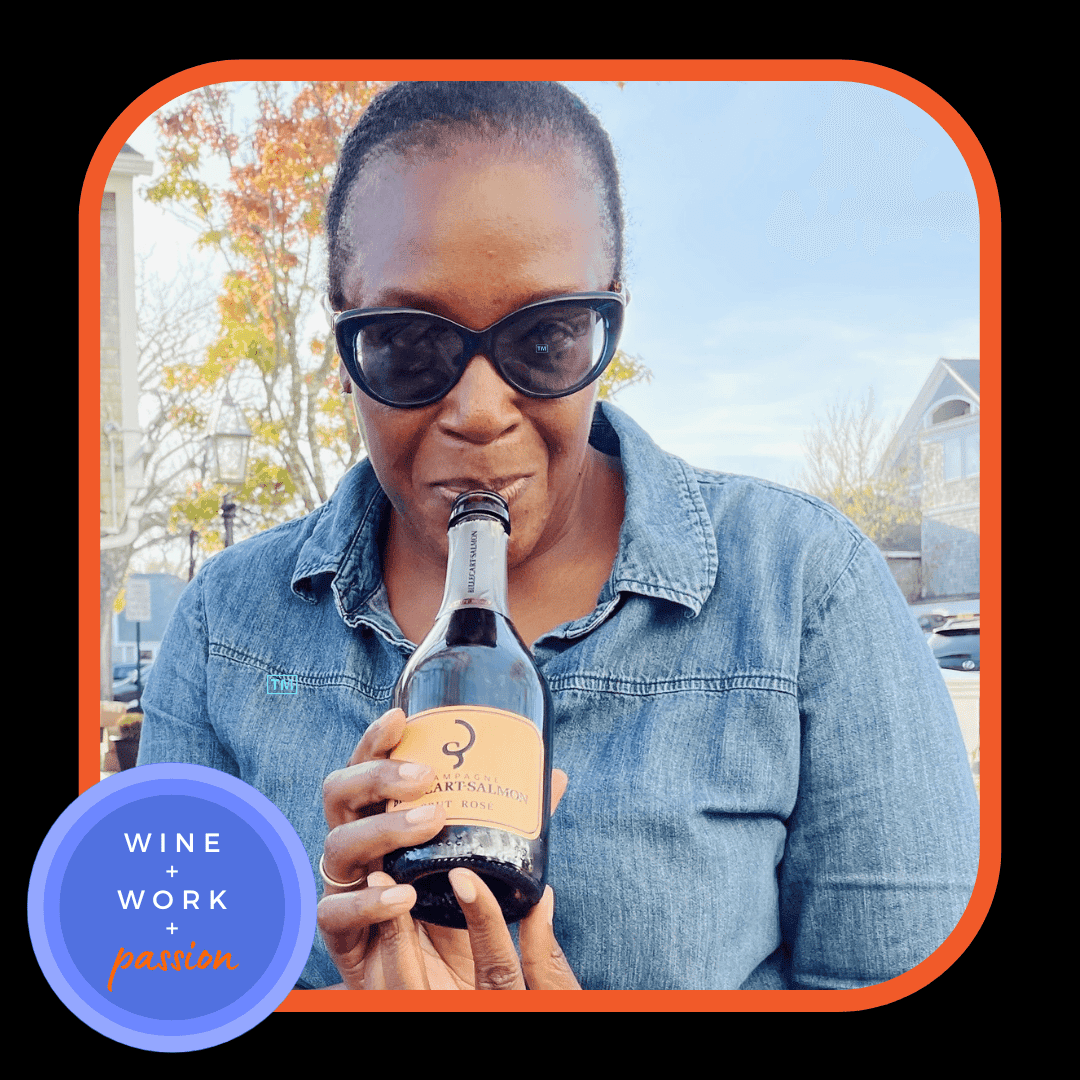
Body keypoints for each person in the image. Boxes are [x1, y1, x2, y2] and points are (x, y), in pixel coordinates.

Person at [139, 81, 979, 992]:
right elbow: (173, 996)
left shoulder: (807, 590)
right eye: (408, 345)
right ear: (342, 336)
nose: (479, 410)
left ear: (608, 316)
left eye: (544, 339)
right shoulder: (227, 626)